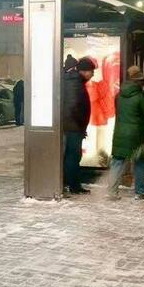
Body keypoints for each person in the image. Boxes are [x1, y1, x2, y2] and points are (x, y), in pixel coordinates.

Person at [108, 65, 144, 200]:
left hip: (120, 133)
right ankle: (141, 191)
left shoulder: (119, 95)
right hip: (136, 135)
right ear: (138, 82)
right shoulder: (140, 97)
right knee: (138, 162)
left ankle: (112, 192)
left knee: (117, 162)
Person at [62, 56, 94, 195]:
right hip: (73, 127)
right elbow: (74, 107)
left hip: (72, 126)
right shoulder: (75, 82)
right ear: (84, 71)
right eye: (91, 71)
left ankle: (69, 183)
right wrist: (81, 126)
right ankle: (73, 185)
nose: (92, 75)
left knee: (71, 156)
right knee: (73, 156)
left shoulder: (74, 80)